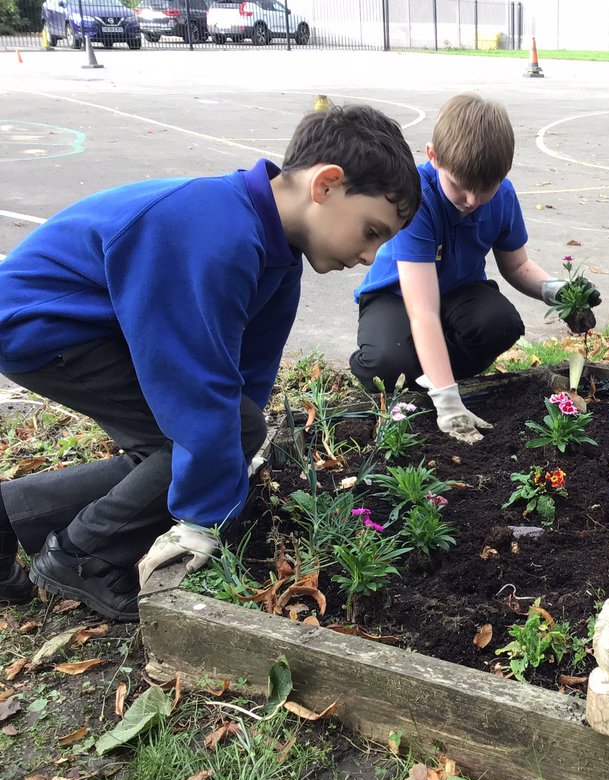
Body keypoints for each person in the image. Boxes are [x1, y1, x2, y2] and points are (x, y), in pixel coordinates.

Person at [0, 104, 422, 623]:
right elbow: (195, 386)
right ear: (326, 185)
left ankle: (13, 513)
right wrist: (202, 515)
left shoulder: (278, 251)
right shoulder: (213, 230)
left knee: (197, 441)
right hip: (44, 325)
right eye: (372, 231)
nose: (369, 255)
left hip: (96, 325)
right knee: (203, 434)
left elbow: (249, 372)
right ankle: (81, 556)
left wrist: (234, 459)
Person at [349, 92, 602, 445]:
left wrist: (557, 291)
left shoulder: (502, 197)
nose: (471, 202)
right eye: (460, 187)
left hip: (458, 292)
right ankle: (430, 382)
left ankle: (435, 377)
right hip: (396, 297)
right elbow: (421, 310)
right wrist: (450, 404)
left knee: (500, 325)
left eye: (484, 190)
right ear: (433, 157)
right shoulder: (418, 197)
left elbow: (517, 265)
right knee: (388, 363)